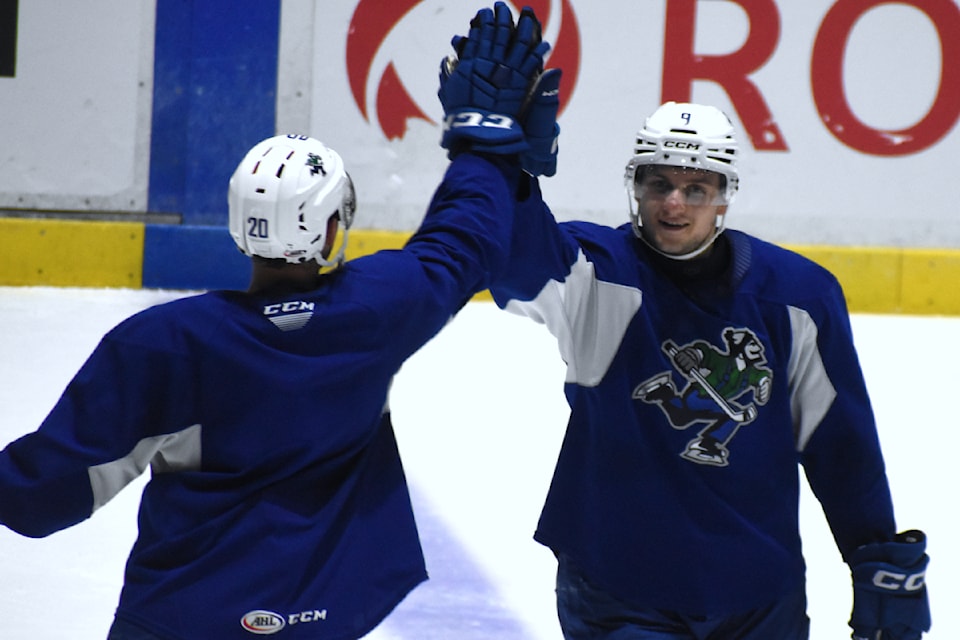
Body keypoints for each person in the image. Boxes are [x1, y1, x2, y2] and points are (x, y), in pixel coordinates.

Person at [0, 6, 549, 635]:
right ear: (333, 230)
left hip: (181, 620)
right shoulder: (375, 311)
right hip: (321, 620)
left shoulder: (166, 345)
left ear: (240, 226)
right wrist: (485, 143)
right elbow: (461, 244)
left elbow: (42, 497)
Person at [477, 38, 932, 639]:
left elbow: (840, 446)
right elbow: (515, 264)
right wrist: (507, 172)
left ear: (723, 197)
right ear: (635, 187)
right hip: (620, 589)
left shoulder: (797, 298)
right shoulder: (598, 276)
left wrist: (875, 559)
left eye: (696, 188)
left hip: (757, 595)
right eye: (659, 183)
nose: (674, 203)